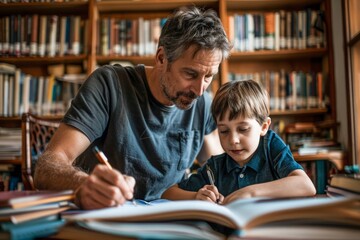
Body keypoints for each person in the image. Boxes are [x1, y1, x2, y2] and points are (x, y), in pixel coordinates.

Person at [34, 6, 231, 210]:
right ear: (162, 58)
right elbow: (47, 167)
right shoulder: (108, 85)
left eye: (209, 77)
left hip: (169, 217)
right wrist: (83, 183)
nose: (199, 90)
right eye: (190, 74)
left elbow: (217, 169)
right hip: (107, 214)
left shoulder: (202, 103)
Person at [162, 79, 316, 204]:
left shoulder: (271, 147)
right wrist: (196, 197)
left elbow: (306, 185)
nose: (233, 140)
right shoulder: (214, 168)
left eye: (243, 129)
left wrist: (249, 193)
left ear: (264, 127)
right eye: (224, 131)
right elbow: (168, 193)